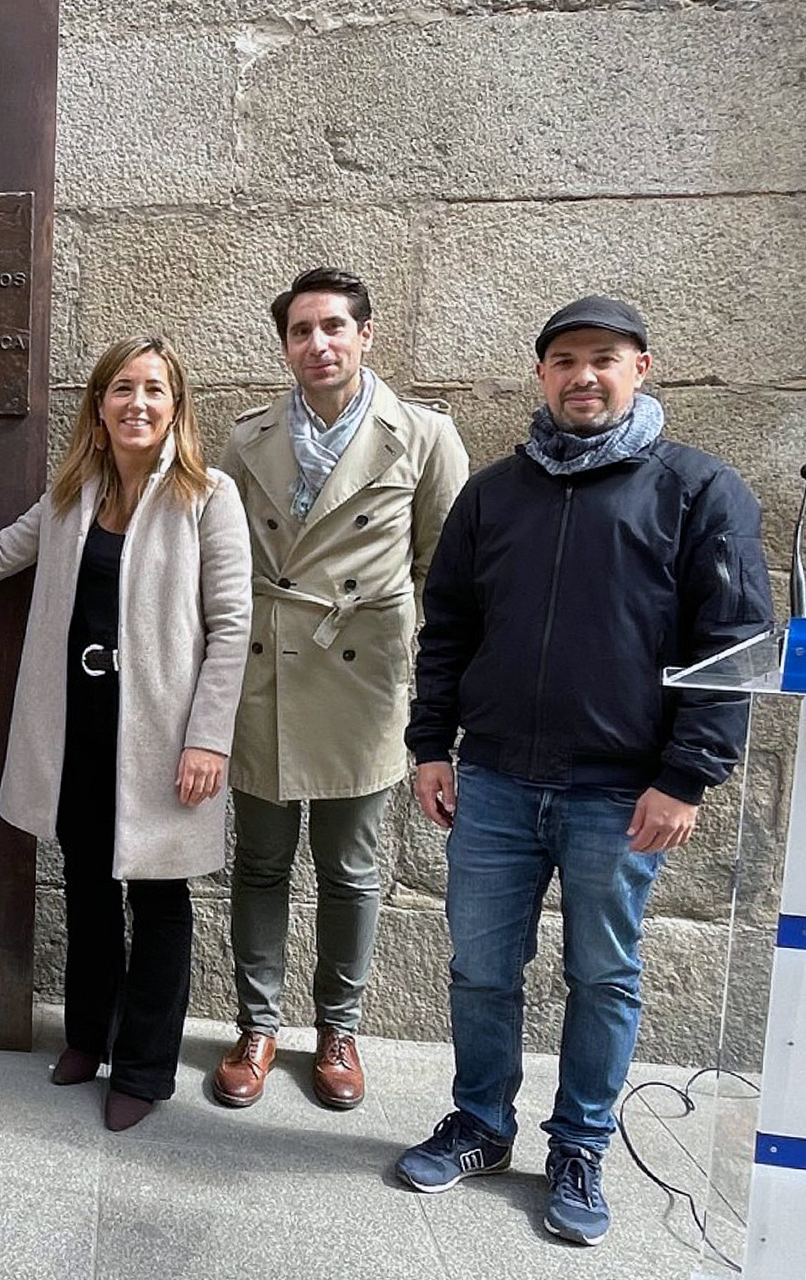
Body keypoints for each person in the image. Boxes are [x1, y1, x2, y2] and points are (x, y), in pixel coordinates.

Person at [397, 297, 772, 1246]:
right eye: (564, 360)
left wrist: (688, 776)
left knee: (603, 973)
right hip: (494, 783)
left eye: (603, 359)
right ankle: (481, 1122)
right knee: (483, 969)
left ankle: (580, 1144)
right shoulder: (493, 494)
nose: (583, 376)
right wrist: (430, 746)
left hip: (622, 791)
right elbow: (448, 632)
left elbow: (728, 646)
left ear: (642, 368)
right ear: (541, 376)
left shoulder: (698, 491)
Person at [0, 335, 252, 1131]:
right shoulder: (73, 495)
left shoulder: (208, 496)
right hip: (78, 724)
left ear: (176, 408)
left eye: (155, 390)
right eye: (122, 389)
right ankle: (88, 1039)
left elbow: (233, 624)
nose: (139, 403)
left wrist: (209, 737)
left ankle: (142, 1069)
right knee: (89, 887)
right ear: (99, 407)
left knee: (160, 898)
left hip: (164, 736)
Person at [213, 268, 469, 1110]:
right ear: (283, 344)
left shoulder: (424, 437)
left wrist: (417, 670)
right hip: (263, 671)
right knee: (258, 862)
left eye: (333, 327)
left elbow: (448, 572)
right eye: (300, 331)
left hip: (363, 678)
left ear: (366, 334)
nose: (317, 344)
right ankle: (256, 1024)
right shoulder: (247, 436)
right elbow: (220, 561)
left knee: (352, 869)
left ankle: (339, 1028)